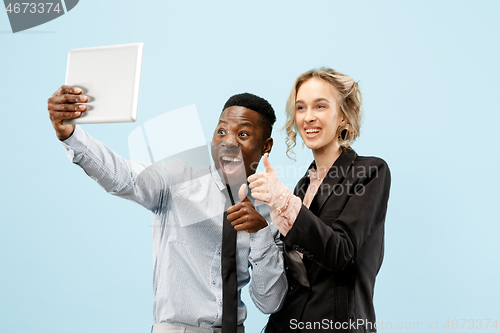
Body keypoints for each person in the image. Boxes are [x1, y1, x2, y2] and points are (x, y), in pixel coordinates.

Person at [47, 87, 287, 333]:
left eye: (243, 134)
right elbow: (124, 177)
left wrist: (260, 233)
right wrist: (70, 135)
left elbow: (270, 302)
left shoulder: (270, 213)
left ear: (266, 146)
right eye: (222, 131)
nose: (228, 143)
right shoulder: (177, 180)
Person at [247, 68, 391, 333]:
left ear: (343, 117)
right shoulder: (302, 187)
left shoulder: (370, 172)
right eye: (301, 108)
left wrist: (283, 199)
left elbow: (341, 253)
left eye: (320, 106)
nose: (308, 117)